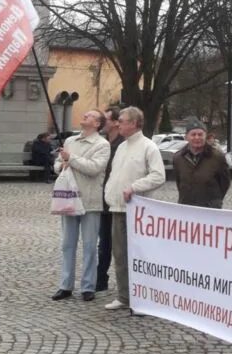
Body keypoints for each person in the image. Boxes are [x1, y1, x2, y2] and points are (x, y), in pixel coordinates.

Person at [103, 106, 166, 311]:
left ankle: (144, 297)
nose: (118, 123)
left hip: (138, 210)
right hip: (117, 208)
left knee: (140, 255)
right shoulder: (121, 147)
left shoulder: (149, 147)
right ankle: (124, 296)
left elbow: (158, 176)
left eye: (122, 120)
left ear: (134, 123)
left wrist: (134, 187)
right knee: (120, 254)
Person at [51, 110, 111, 302]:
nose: (85, 115)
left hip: (90, 200)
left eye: (91, 115)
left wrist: (71, 159)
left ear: (98, 124)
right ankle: (65, 284)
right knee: (67, 244)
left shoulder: (102, 144)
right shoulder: (70, 141)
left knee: (90, 245)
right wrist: (61, 166)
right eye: (85, 114)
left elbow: (94, 168)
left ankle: (88, 286)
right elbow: (58, 163)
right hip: (69, 197)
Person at [172, 118, 230, 208]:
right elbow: (179, 183)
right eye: (193, 134)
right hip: (186, 207)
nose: (197, 138)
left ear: (205, 136)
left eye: (200, 134)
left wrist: (216, 201)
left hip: (210, 209)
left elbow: (224, 183)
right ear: (186, 137)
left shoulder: (217, 157)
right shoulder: (178, 158)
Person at [97, 107, 123, 292]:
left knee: (121, 244)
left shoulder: (122, 145)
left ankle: (126, 283)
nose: (102, 122)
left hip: (118, 200)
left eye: (105, 119)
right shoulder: (102, 143)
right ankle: (100, 278)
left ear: (115, 122)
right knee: (103, 242)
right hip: (102, 199)